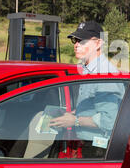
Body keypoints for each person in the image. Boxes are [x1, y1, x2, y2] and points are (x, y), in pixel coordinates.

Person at [48, 21, 125, 157]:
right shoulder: (88, 70)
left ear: (98, 43)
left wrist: (75, 121)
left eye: (82, 41)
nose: (76, 45)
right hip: (88, 144)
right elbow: (93, 107)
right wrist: (71, 113)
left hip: (98, 148)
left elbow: (109, 120)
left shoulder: (104, 74)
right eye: (75, 40)